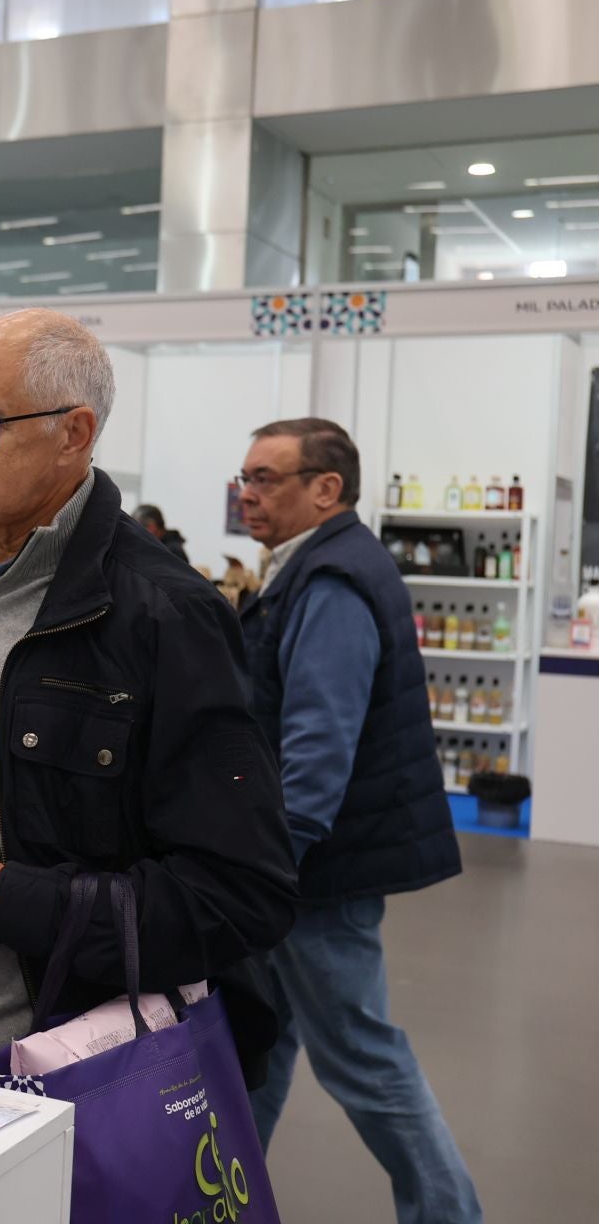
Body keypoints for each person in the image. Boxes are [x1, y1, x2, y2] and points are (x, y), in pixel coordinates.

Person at [0, 308, 297, 1073]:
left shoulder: (163, 615)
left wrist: (15, 904)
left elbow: (239, 893)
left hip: (15, 1072)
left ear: (74, 433)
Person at [234, 418, 479, 1224]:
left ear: (325, 488)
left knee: (364, 1059)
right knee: (262, 1044)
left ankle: (448, 1214)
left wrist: (277, 864)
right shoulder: (311, 568)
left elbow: (318, 744)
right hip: (306, 867)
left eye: (267, 477)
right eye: (245, 476)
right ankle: (226, 1197)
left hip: (316, 874)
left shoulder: (332, 582)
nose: (248, 491)